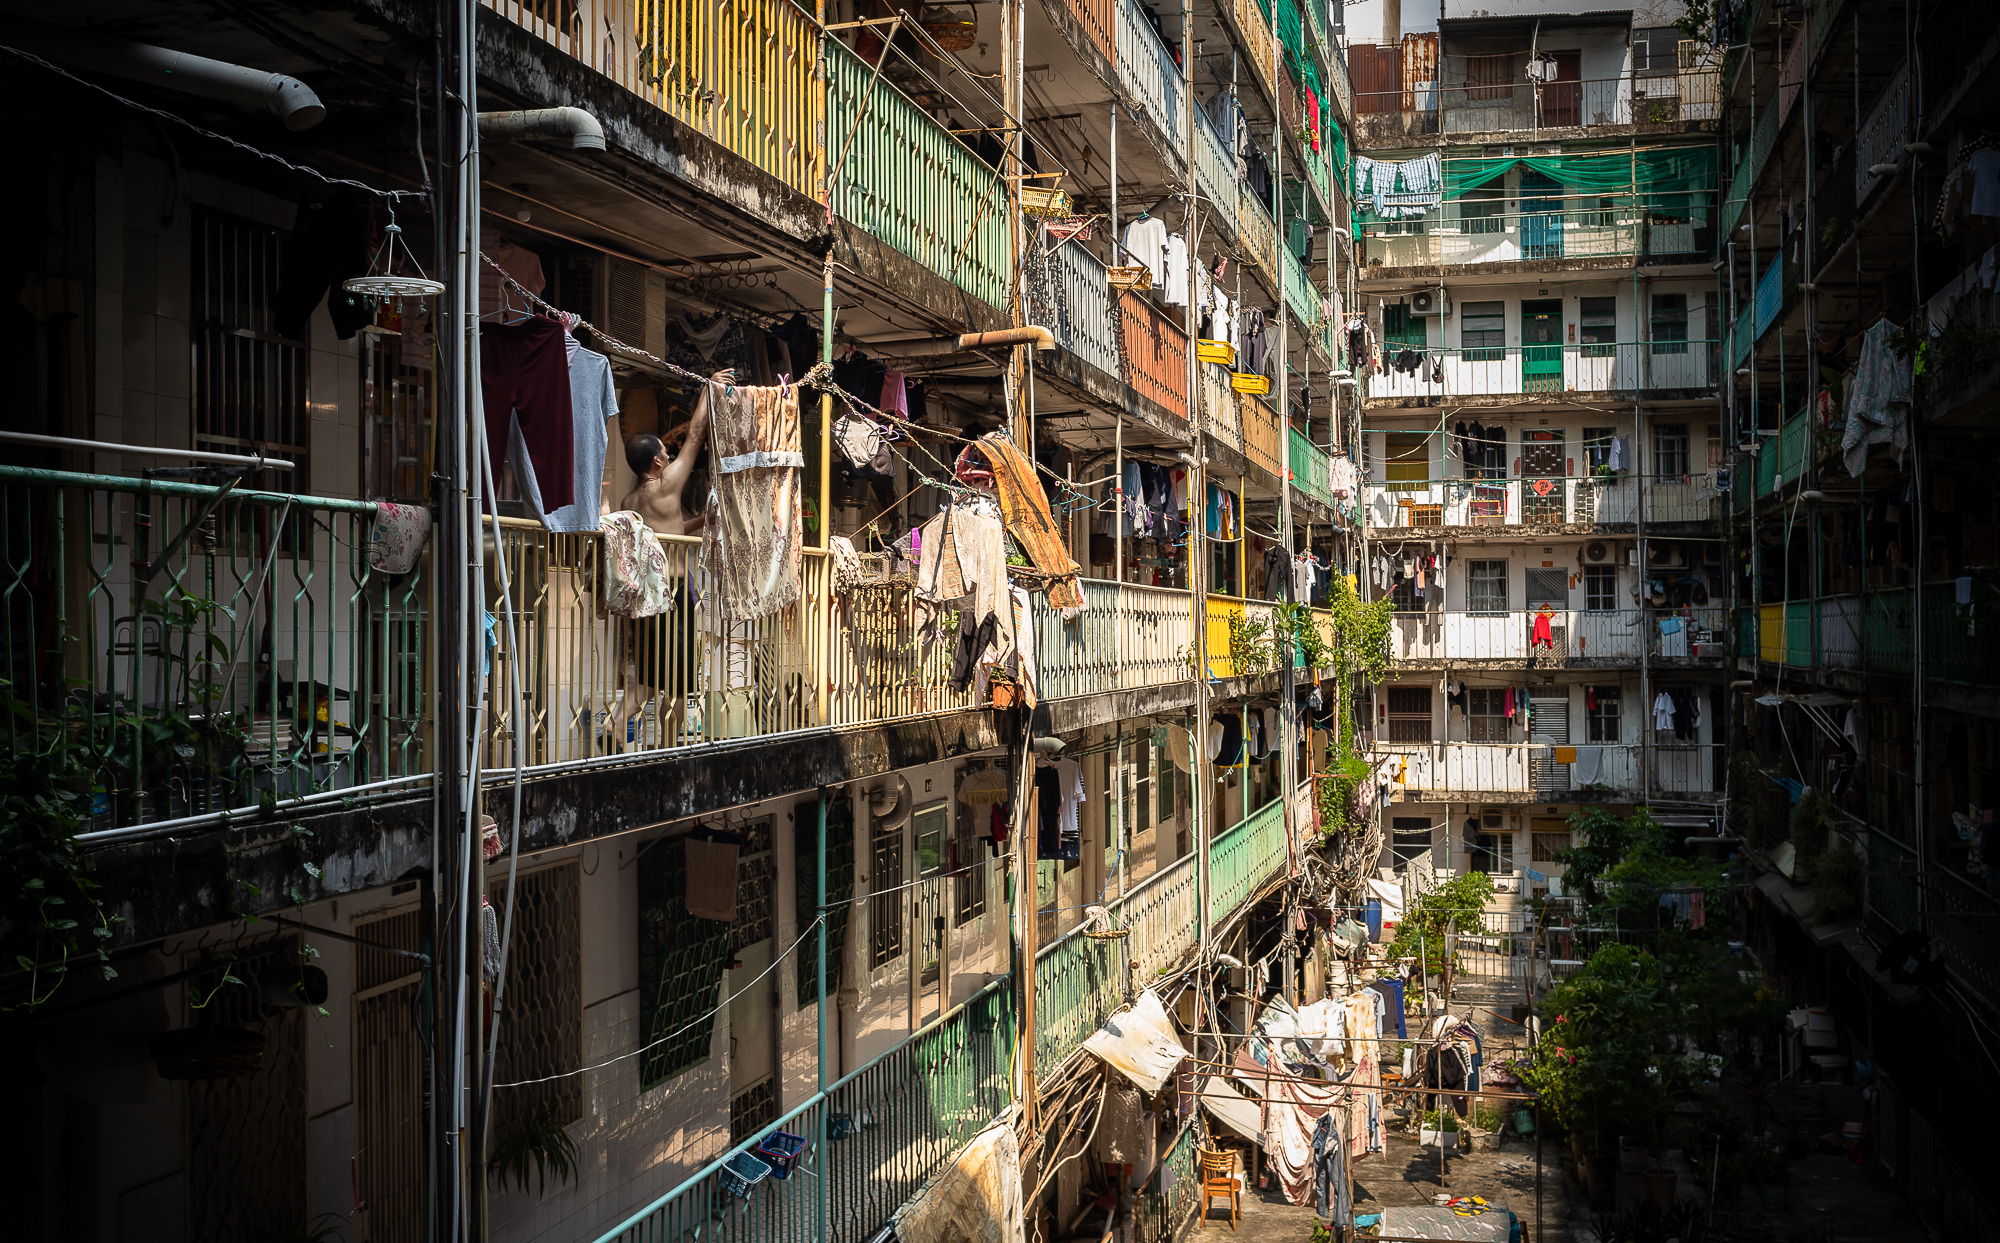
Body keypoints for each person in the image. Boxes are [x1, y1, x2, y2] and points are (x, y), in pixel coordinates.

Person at [609, 369, 732, 748]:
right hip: (676, 595)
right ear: (659, 463)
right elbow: (696, 436)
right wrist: (707, 389)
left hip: (649, 597)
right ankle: (666, 745)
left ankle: (614, 730)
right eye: (665, 452)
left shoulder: (631, 502)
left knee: (647, 677)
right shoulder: (668, 485)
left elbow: (667, 532)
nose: (671, 454)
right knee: (680, 682)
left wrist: (700, 521)